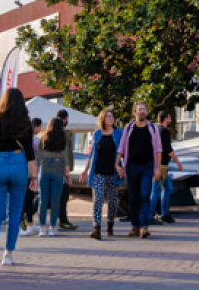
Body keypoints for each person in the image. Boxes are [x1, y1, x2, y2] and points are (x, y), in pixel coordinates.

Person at [0, 88, 37, 271]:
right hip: (18, 162)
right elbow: (30, 153)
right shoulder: (25, 123)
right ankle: (8, 255)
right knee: (14, 212)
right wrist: (34, 176)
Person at [116, 101, 162, 238]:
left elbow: (159, 150)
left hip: (148, 166)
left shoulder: (153, 128)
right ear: (134, 112)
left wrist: (158, 168)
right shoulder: (128, 128)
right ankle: (135, 226)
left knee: (144, 195)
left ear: (146, 112)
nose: (142, 111)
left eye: (144, 109)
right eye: (139, 109)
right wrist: (117, 163)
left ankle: (144, 226)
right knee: (133, 197)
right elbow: (121, 147)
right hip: (132, 166)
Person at [83, 108, 122, 239]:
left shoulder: (118, 133)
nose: (111, 119)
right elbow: (91, 153)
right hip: (98, 171)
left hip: (113, 172)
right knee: (98, 199)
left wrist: (123, 167)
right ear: (102, 119)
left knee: (112, 201)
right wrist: (85, 169)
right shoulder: (97, 133)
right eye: (108, 116)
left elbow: (123, 151)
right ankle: (96, 227)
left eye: (112, 116)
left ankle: (110, 223)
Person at [34, 117, 69, 236]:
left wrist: (35, 174)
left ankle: (42, 228)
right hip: (58, 166)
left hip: (44, 167)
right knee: (55, 200)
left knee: (42, 200)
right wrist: (67, 174)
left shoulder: (43, 137)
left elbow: (38, 158)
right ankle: (53, 227)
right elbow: (66, 157)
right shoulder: (63, 138)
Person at [150, 111, 182, 224]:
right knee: (159, 189)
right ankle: (157, 215)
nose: (171, 120)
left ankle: (162, 214)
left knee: (163, 189)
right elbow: (168, 149)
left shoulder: (155, 130)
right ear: (165, 119)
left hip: (156, 164)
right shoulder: (165, 132)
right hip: (162, 165)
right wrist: (178, 162)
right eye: (169, 117)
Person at [19, 117, 43, 236]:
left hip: (27, 171)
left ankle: (30, 224)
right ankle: (20, 224)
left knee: (28, 198)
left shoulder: (28, 138)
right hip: (28, 171)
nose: (39, 130)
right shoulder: (35, 140)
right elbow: (35, 156)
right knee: (24, 198)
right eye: (39, 127)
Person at [55, 108, 77, 230]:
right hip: (63, 168)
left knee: (48, 196)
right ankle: (63, 220)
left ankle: (27, 214)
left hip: (53, 168)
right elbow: (66, 153)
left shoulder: (51, 132)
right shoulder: (64, 133)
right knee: (64, 195)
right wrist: (67, 172)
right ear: (66, 119)